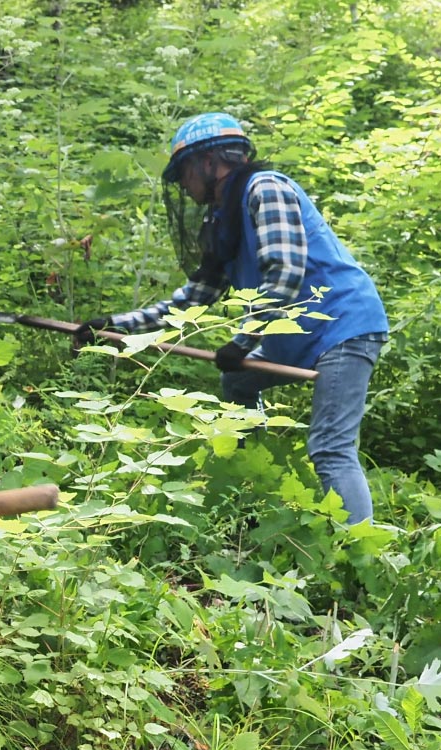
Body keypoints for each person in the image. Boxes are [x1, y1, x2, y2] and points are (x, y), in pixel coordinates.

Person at [80, 113, 390, 524]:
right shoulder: (223, 221)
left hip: (342, 327)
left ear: (210, 162)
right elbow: (192, 298)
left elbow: (285, 273)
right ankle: (251, 484)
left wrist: (243, 341)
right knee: (238, 380)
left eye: (186, 173)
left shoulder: (266, 189)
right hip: (292, 335)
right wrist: (117, 324)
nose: (186, 187)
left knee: (330, 448)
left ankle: (360, 552)